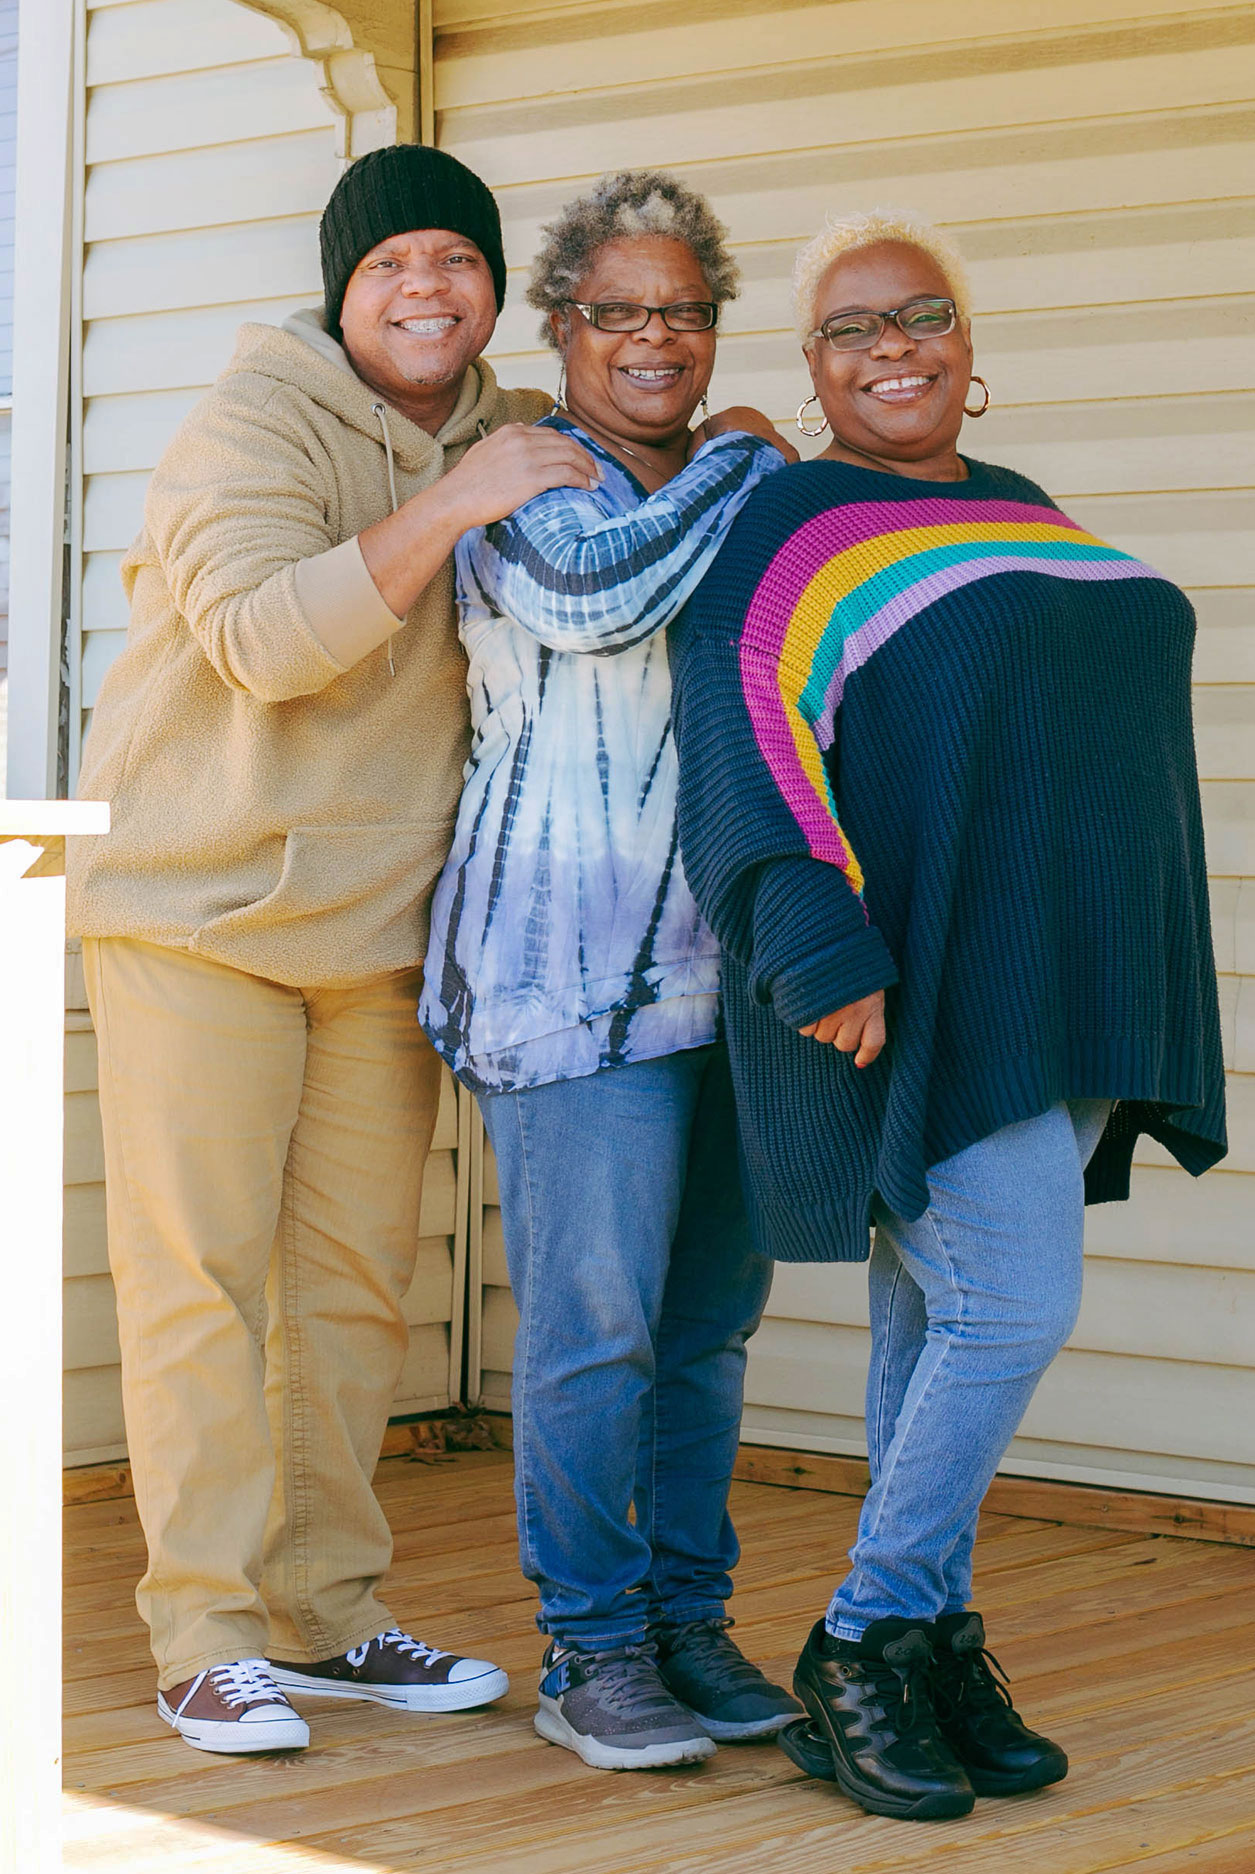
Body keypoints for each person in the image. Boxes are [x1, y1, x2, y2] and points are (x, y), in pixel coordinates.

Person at [671, 210, 1227, 1820]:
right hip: (914, 978)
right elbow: (744, 720)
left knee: (936, 1321)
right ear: (814, 367)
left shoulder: (1017, 510)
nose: (894, 344)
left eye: (923, 315)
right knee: (1010, 1309)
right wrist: (813, 938)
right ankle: (862, 1635)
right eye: (853, 327)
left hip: (1051, 971)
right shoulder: (794, 524)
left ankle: (927, 1642)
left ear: (971, 354)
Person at [68, 145, 602, 1755]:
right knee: (205, 1284)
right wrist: (458, 501)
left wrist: (726, 440)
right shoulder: (254, 421)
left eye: (457, 257)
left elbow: (625, 507)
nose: (427, 285)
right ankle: (208, 1631)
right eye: (391, 264)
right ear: (340, 287)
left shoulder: (514, 428)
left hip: (380, 933)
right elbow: (260, 639)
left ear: (493, 289)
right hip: (201, 913)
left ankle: (324, 1610)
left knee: (355, 1290)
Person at [420, 170, 802, 1771]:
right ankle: (590, 1648)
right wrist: (742, 463)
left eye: (685, 310)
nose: (656, 337)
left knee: (708, 1324)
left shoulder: (722, 482)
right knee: (596, 1330)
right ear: (562, 325)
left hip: (732, 976)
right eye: (619, 309)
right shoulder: (523, 474)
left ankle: (685, 1621)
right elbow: (595, 590)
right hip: (564, 976)